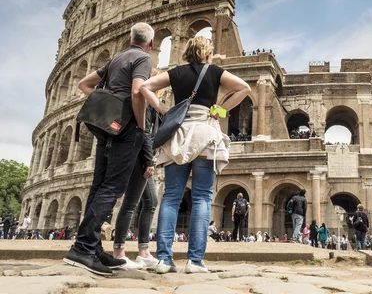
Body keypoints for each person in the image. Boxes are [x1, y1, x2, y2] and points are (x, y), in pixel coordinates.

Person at [140, 35, 250, 274]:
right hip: (205, 133)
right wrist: (221, 110)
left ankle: (164, 260)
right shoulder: (214, 72)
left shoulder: (176, 73)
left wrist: (161, 108)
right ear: (208, 54)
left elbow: (145, 87)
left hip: (179, 133)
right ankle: (194, 261)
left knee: (170, 198)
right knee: (202, 198)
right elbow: (244, 88)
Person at [63, 23, 155, 276]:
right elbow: (138, 92)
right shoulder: (143, 58)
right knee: (113, 187)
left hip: (105, 128)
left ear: (129, 37)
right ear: (150, 42)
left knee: (99, 185)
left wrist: (103, 103)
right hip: (125, 128)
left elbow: (84, 84)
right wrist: (139, 124)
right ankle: (82, 249)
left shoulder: (116, 58)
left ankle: (91, 248)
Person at [112, 72, 162, 269]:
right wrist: (149, 160)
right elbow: (145, 133)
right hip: (138, 157)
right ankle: (118, 253)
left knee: (150, 202)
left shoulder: (144, 100)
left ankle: (143, 252)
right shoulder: (145, 100)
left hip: (138, 155)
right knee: (131, 204)